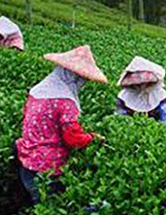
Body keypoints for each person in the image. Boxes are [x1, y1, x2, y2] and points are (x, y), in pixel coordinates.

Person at [15, 45, 107, 204]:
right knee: (47, 209)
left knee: (35, 206)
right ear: (72, 76)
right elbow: (72, 138)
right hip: (46, 168)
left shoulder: (38, 91)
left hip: (26, 161)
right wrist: (93, 138)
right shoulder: (64, 101)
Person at [116, 56, 166, 130]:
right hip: (131, 127)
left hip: (154, 127)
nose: (142, 86)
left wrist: (160, 130)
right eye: (138, 84)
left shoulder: (159, 95)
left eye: (145, 83)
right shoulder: (125, 96)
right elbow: (120, 117)